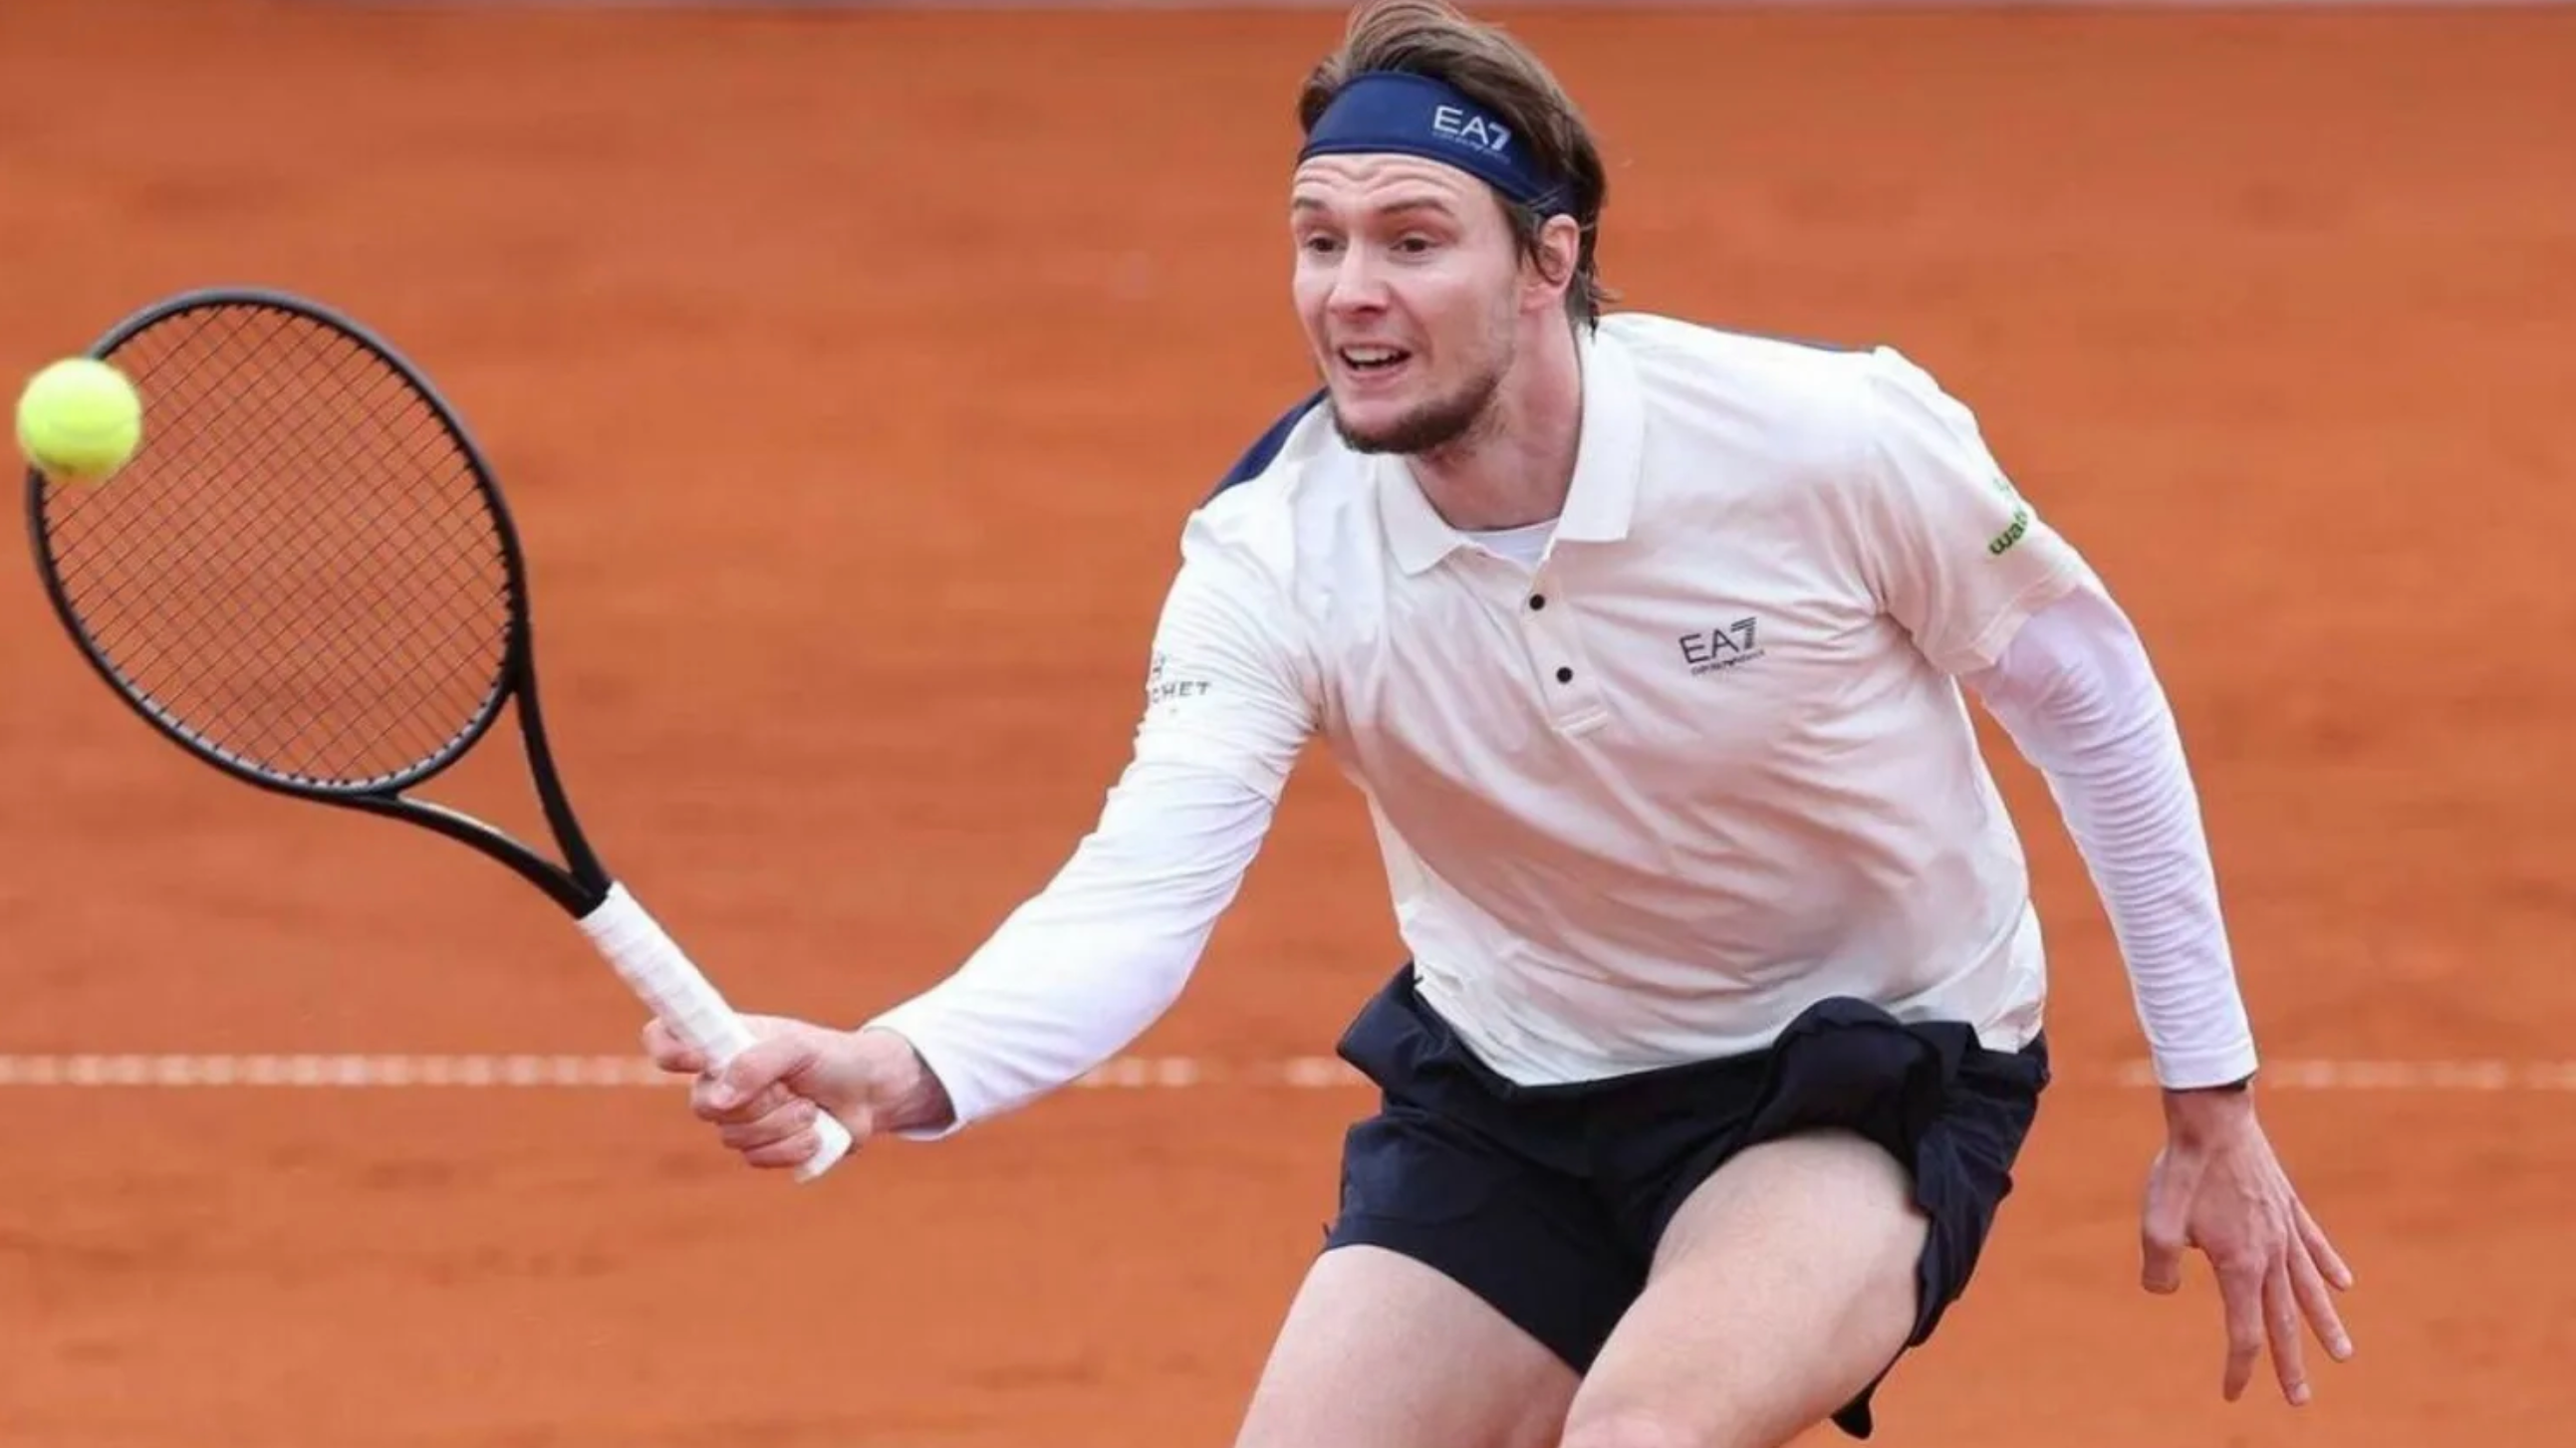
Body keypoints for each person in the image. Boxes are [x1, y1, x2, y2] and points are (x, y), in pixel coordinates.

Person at [643, 3, 2356, 1444]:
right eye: (1318, 240)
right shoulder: (1272, 554)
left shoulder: (1823, 442)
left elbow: (2091, 705)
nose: (1348, 291)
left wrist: (2210, 1098)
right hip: (1513, 1094)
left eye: (1410, 240)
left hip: (1855, 1070)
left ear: (1548, 261)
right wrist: (901, 1061)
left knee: (1638, 1434)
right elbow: (1139, 893)